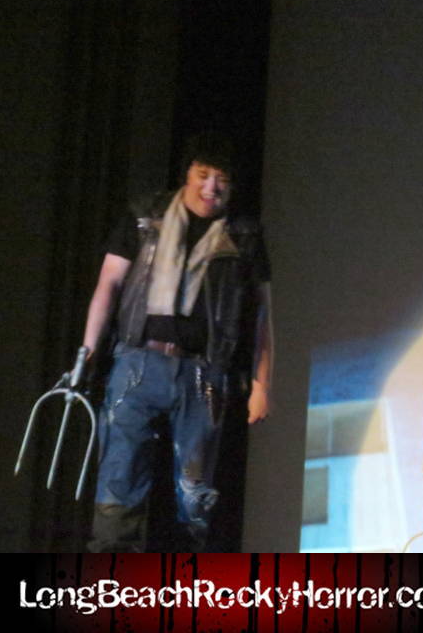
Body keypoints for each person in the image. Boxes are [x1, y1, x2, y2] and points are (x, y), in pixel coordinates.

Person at [81, 131, 273, 551]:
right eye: (203, 175)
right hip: (138, 363)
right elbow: (109, 284)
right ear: (187, 174)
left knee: (194, 498)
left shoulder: (242, 235)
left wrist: (261, 385)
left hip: (202, 374)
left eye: (222, 179)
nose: (211, 187)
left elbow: (260, 316)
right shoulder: (144, 218)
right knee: (119, 482)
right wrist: (88, 351)